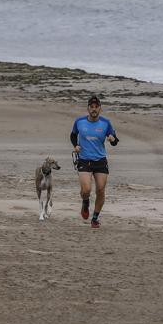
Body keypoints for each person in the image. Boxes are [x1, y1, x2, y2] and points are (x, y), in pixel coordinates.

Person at [70, 95, 118, 228]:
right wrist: (76, 145)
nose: (94, 109)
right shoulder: (79, 121)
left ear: (100, 109)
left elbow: (115, 139)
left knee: (101, 190)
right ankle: (85, 202)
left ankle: (95, 218)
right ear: (88, 109)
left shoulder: (105, 123)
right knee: (86, 189)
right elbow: (73, 135)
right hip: (84, 160)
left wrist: (112, 139)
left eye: (96, 107)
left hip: (100, 160)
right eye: (91, 107)